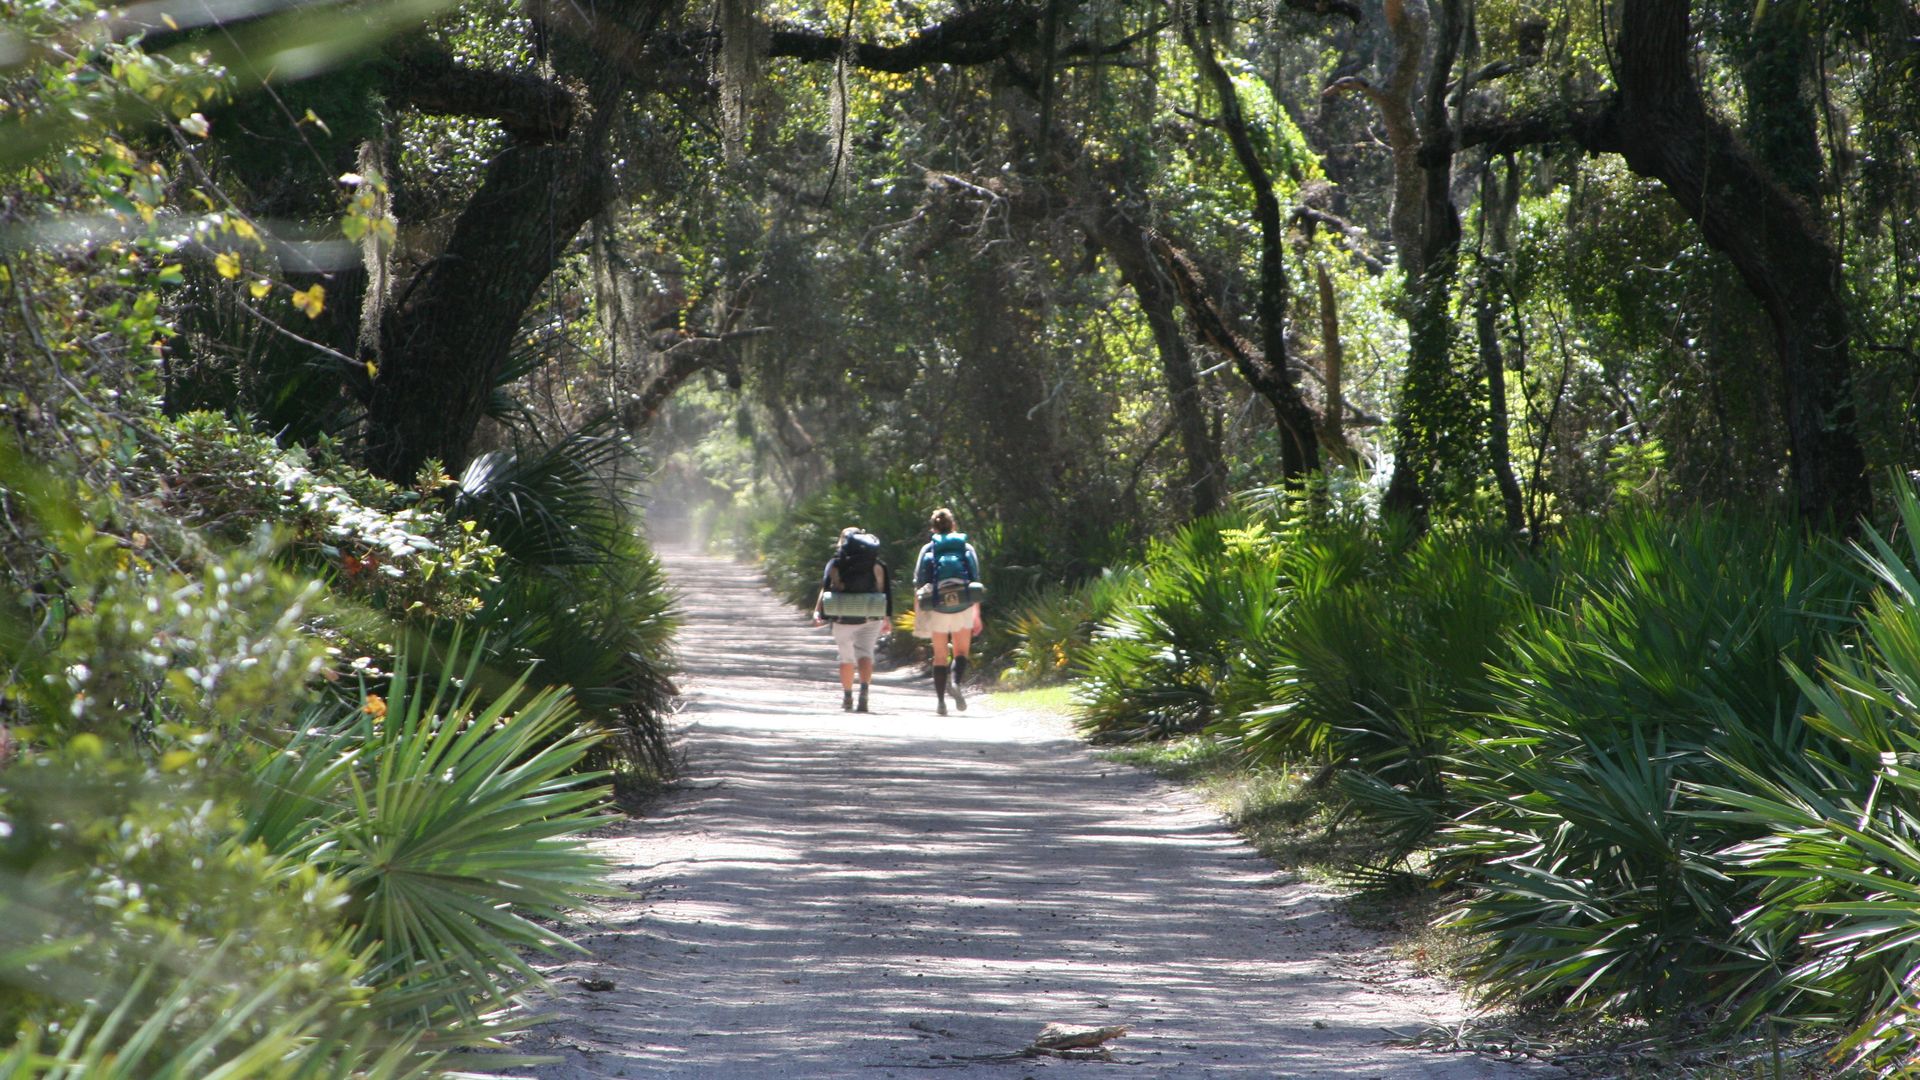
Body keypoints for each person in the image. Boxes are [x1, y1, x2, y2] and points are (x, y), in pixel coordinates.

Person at [812, 527, 893, 713]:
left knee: (846, 657)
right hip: (871, 616)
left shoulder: (835, 563)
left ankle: (848, 696)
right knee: (865, 653)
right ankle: (864, 692)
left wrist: (818, 612)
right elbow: (884, 591)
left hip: (842, 616)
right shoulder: (877, 564)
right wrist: (887, 617)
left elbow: (826, 589)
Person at [912, 507, 983, 716]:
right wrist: (976, 612)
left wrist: (919, 612)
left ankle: (941, 702)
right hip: (963, 604)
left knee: (940, 656)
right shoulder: (965, 547)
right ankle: (956, 682)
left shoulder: (928, 549)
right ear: (953, 524)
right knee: (961, 652)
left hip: (937, 604)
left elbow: (919, 582)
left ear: (933, 527)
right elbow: (975, 579)